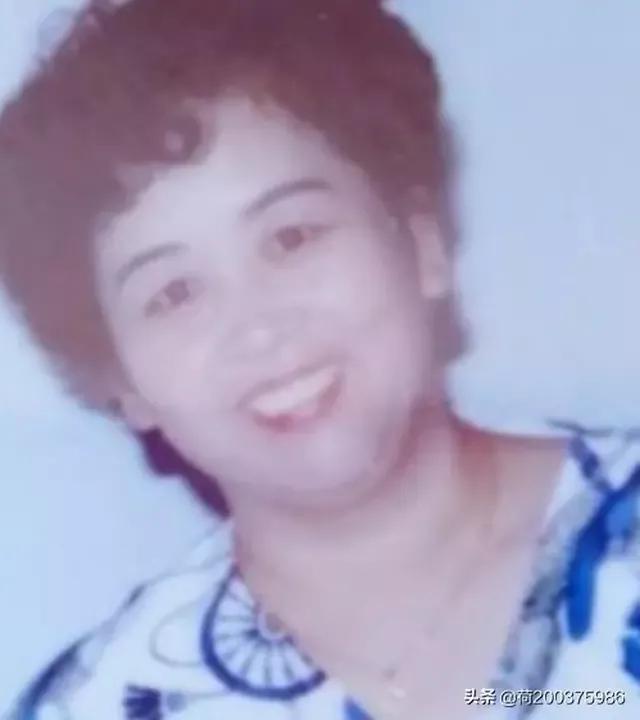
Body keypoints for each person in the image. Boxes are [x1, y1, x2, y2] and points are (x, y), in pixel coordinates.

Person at [0, 1, 639, 718]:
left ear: (420, 242)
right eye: (174, 293)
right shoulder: (105, 701)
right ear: (121, 382)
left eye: (293, 237)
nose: (258, 328)